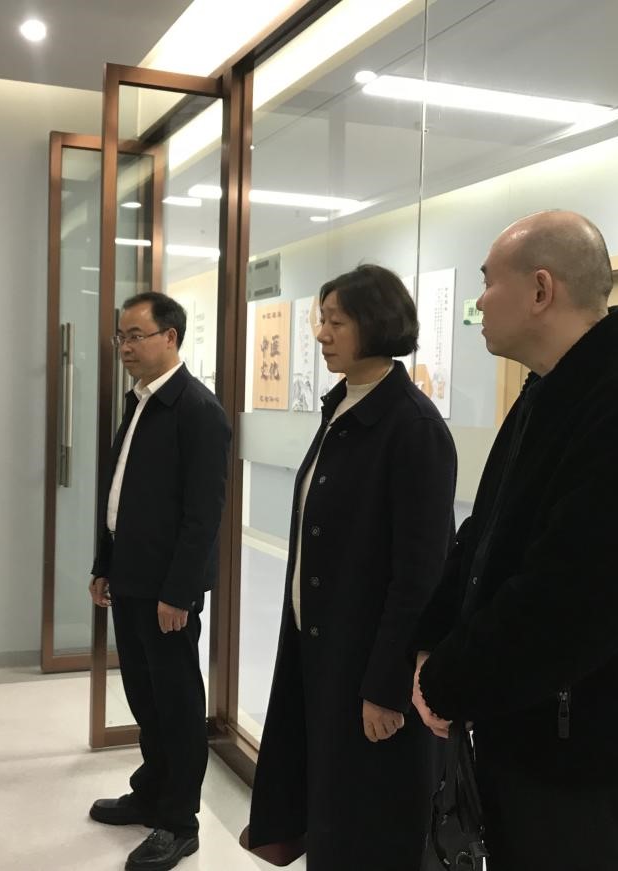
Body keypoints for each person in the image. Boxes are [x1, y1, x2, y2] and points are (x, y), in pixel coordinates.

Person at [411, 211, 618, 871]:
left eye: (487, 283)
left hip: (586, 743)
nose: (478, 303)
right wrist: (433, 639)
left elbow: (572, 599)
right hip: (526, 720)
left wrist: (449, 679)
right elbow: (485, 536)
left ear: (540, 289)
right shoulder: (551, 393)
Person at [245, 265, 457, 869]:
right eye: (322, 320)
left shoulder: (413, 427)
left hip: (367, 663)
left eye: (335, 322)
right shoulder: (342, 407)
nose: (321, 334)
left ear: (376, 323)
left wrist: (386, 686)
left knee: (371, 824)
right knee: (331, 809)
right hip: (322, 646)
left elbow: (420, 575)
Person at [87, 292, 231, 871]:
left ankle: (179, 821)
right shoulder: (141, 402)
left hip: (166, 589)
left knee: (176, 703)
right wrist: (104, 564)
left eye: (135, 335)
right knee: (145, 697)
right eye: (120, 336)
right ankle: (150, 792)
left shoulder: (198, 410)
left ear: (170, 337)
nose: (125, 346)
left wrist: (180, 592)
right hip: (130, 577)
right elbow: (118, 494)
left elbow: (204, 515)